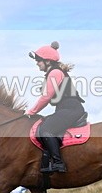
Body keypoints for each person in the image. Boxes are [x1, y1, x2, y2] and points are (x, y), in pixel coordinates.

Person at [26, 41, 86, 173]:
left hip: (71, 109)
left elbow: (46, 97)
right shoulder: (53, 72)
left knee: (46, 129)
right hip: (65, 109)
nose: (37, 63)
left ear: (47, 61)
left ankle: (58, 163)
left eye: (39, 60)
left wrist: (31, 112)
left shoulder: (55, 73)